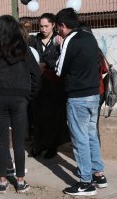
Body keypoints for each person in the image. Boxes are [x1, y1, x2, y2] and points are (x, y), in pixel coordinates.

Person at [0, 15, 41, 194]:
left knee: (2, 140)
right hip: (20, 99)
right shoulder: (24, 49)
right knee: (19, 141)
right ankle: (20, 181)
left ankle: (2, 181)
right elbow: (36, 75)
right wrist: (29, 96)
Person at [55, 8, 107, 196]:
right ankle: (98, 174)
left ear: (62, 25)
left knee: (80, 139)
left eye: (58, 28)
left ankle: (86, 182)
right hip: (94, 94)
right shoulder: (89, 37)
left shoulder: (70, 40)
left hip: (78, 97)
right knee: (91, 135)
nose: (58, 32)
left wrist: (60, 48)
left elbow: (59, 69)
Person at [28, 13, 69, 159]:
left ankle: (52, 147)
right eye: (41, 26)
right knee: (37, 117)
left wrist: (46, 64)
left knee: (53, 118)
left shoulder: (59, 40)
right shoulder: (34, 40)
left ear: (53, 25)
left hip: (54, 84)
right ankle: (38, 146)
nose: (43, 29)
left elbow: (62, 60)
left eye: (46, 26)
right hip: (38, 84)